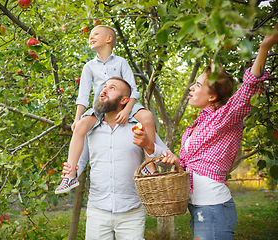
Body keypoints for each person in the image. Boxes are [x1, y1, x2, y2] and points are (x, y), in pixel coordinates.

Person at [160, 23, 278, 240]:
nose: (191, 88)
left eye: (197, 85)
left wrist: (263, 49)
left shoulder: (225, 117)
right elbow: (193, 164)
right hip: (198, 207)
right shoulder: (196, 124)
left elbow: (248, 89)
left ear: (212, 96)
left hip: (213, 207)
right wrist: (174, 159)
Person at [61, 77, 170, 239]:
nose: (104, 90)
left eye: (112, 88)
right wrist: (72, 171)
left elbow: (167, 162)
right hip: (97, 210)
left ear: (124, 100)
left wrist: (149, 146)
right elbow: (81, 160)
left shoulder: (138, 127)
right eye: (104, 87)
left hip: (131, 212)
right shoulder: (90, 127)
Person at [55, 25, 157, 194]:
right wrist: (77, 117)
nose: (91, 37)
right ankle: (70, 175)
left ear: (108, 39)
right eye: (90, 35)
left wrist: (126, 110)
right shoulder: (89, 67)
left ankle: (149, 166)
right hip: (101, 106)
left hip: (125, 103)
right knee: (80, 127)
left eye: (95, 34)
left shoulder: (121, 62)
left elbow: (133, 90)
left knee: (147, 117)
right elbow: (83, 95)